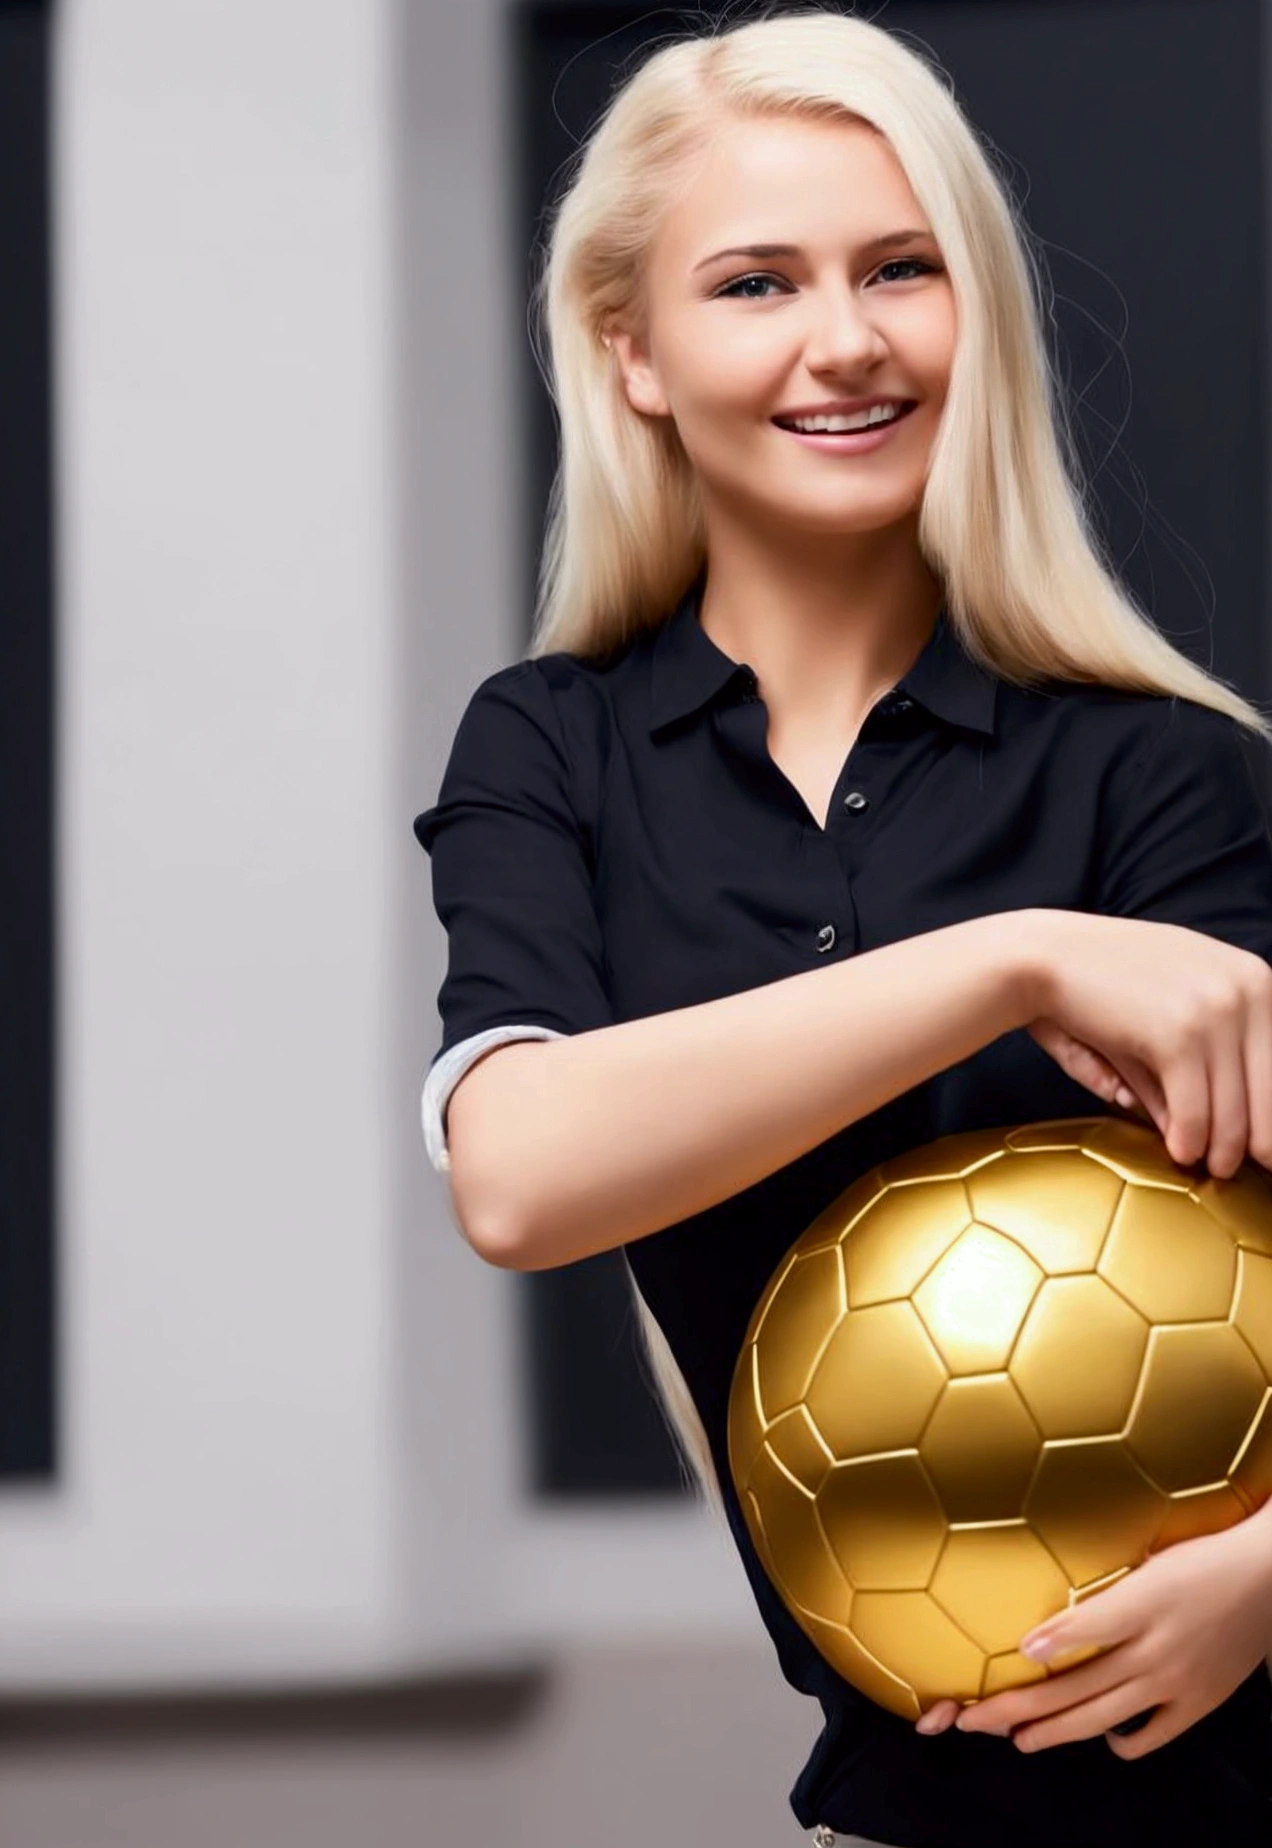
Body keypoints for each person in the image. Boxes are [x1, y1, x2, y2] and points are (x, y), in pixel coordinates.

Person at [413, 10, 1272, 1845]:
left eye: (903, 267)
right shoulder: (551, 751)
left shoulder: (1158, 773)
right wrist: (1007, 958)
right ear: (630, 351)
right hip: (927, 1797)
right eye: (755, 282)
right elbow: (517, 1174)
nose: (849, 339)